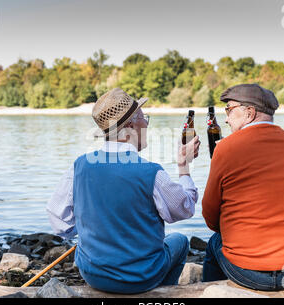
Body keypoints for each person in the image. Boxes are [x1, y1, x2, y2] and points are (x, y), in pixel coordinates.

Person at [46, 87, 201, 294]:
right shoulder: (151, 172)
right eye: (144, 118)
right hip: (139, 278)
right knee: (180, 241)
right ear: (130, 125)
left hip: (93, 274)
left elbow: (59, 223)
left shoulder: (79, 166)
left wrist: (90, 229)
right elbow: (185, 208)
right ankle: (160, 295)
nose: (146, 123)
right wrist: (184, 166)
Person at [201, 83, 284, 291]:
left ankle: (213, 292)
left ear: (249, 112)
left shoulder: (227, 147)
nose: (226, 118)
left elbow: (210, 216)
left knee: (214, 242)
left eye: (229, 110)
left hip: (249, 273)